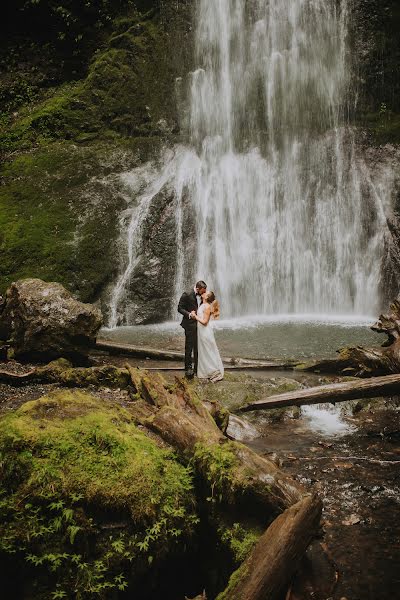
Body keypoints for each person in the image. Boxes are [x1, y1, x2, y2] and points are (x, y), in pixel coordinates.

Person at [178, 280, 207, 378]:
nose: (204, 293)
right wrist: (189, 314)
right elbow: (179, 308)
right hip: (189, 325)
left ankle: (197, 367)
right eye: (203, 291)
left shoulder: (202, 294)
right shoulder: (187, 294)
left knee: (198, 347)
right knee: (189, 347)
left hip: (200, 326)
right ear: (198, 288)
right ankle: (188, 368)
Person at [193, 291, 224, 382]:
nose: (203, 293)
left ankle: (215, 372)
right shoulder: (203, 305)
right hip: (201, 331)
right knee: (205, 351)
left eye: (206, 293)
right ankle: (207, 371)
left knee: (208, 350)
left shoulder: (207, 307)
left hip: (205, 331)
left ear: (206, 297)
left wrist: (195, 316)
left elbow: (205, 322)